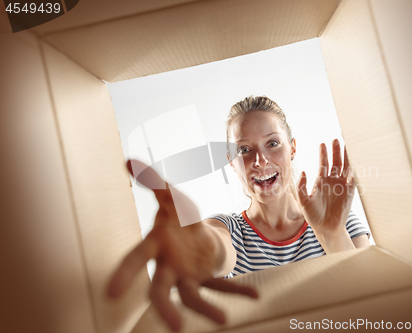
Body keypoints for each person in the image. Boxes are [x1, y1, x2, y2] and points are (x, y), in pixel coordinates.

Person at [107, 96, 370, 332]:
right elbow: (215, 246)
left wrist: (332, 234)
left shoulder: (341, 222)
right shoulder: (228, 229)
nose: (260, 160)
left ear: (292, 148)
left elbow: (373, 300)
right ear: (231, 162)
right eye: (244, 150)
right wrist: (197, 244)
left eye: (273, 143)